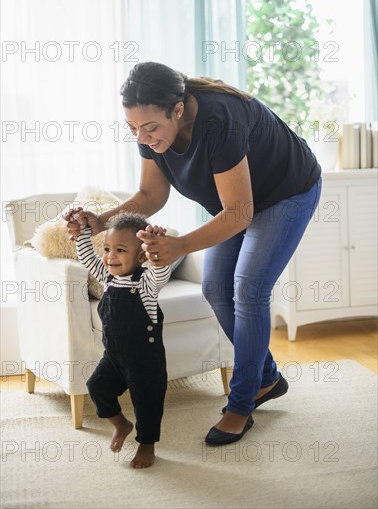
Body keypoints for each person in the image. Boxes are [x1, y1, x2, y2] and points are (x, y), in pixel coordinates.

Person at [66, 61, 322, 447]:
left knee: (249, 288)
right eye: (133, 129)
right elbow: (151, 195)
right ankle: (266, 378)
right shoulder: (148, 127)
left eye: (150, 128)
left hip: (287, 192)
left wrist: (180, 245)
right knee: (215, 288)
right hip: (237, 206)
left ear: (179, 109)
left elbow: (240, 213)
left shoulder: (220, 121)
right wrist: (99, 221)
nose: (143, 136)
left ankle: (241, 404)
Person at [70, 209, 171, 468]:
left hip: (145, 363)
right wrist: (82, 230)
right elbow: (88, 258)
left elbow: (160, 272)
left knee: (146, 405)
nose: (110, 256)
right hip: (113, 358)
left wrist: (156, 250)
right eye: (107, 249)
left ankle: (147, 445)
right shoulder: (108, 279)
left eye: (120, 250)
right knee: (96, 387)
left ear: (140, 255)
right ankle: (121, 424)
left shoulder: (146, 284)